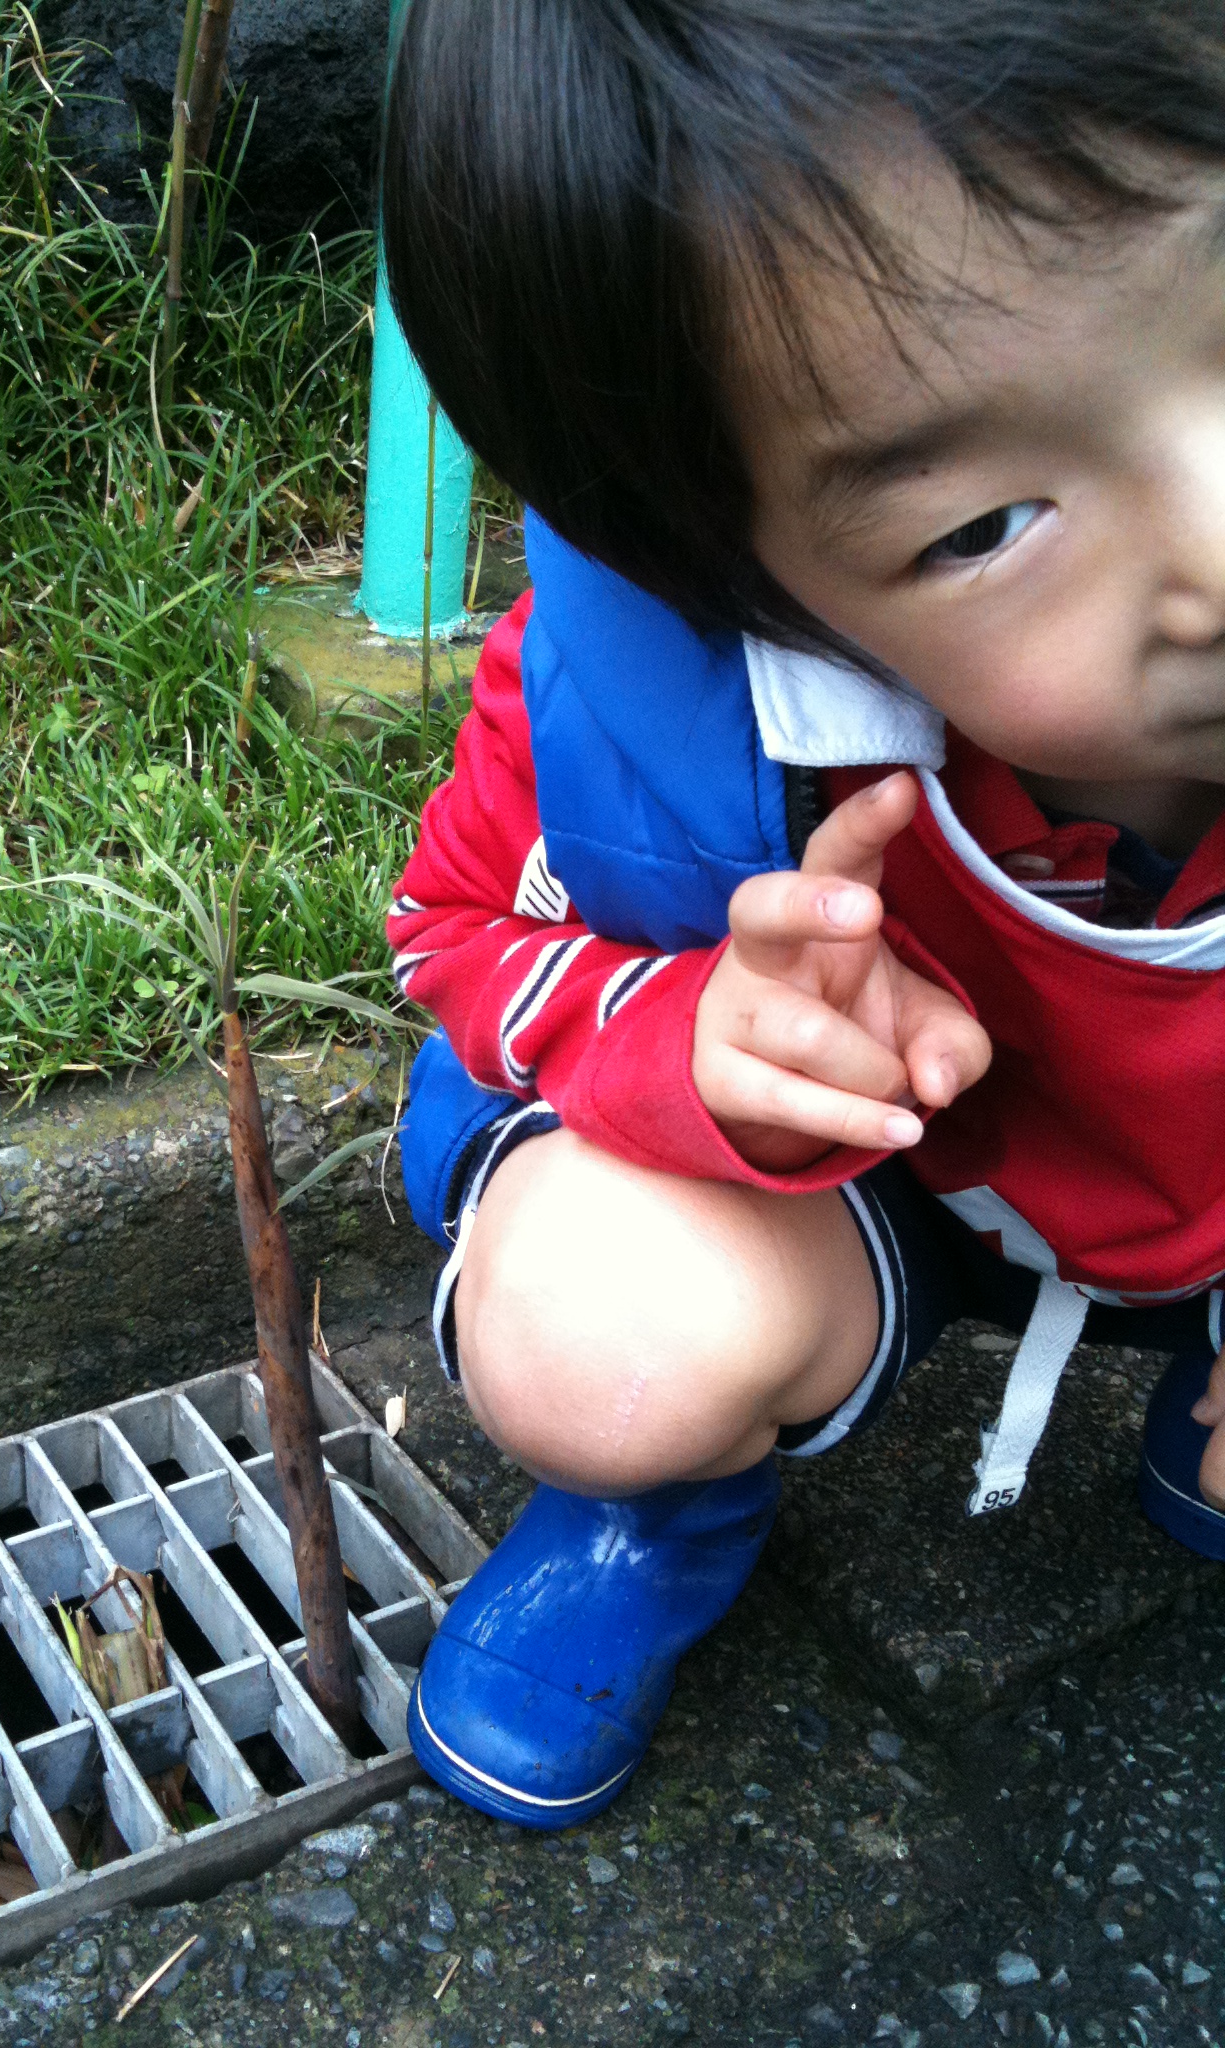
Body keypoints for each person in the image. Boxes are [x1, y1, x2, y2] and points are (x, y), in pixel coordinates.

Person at [378, 0, 1225, 1829]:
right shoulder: (672, 717)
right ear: (739, 581)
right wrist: (681, 1041)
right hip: (908, 1192)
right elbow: (452, 923)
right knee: (611, 1336)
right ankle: (661, 1514)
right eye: (987, 519)